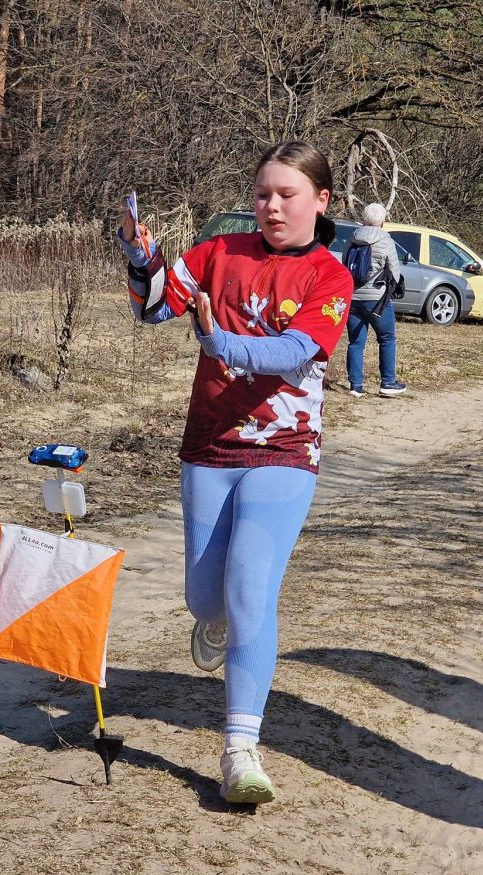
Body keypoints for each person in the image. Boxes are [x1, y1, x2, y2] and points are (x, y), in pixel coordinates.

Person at [117, 141, 352, 805]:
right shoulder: (221, 253)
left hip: (285, 451)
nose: (272, 206)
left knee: (251, 590)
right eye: (263, 194)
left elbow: (291, 351)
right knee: (206, 597)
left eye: (287, 194)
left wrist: (220, 342)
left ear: (321, 201)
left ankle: (240, 749)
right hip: (209, 447)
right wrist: (144, 259)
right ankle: (212, 619)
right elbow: (155, 308)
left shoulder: (331, 277)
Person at [344, 203, 407, 397]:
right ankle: (388, 382)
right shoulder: (385, 240)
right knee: (387, 339)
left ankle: (355, 386)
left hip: (353, 298)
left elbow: (344, 263)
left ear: (363, 218)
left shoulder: (353, 238)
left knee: (355, 342)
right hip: (377, 299)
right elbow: (394, 271)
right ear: (382, 221)